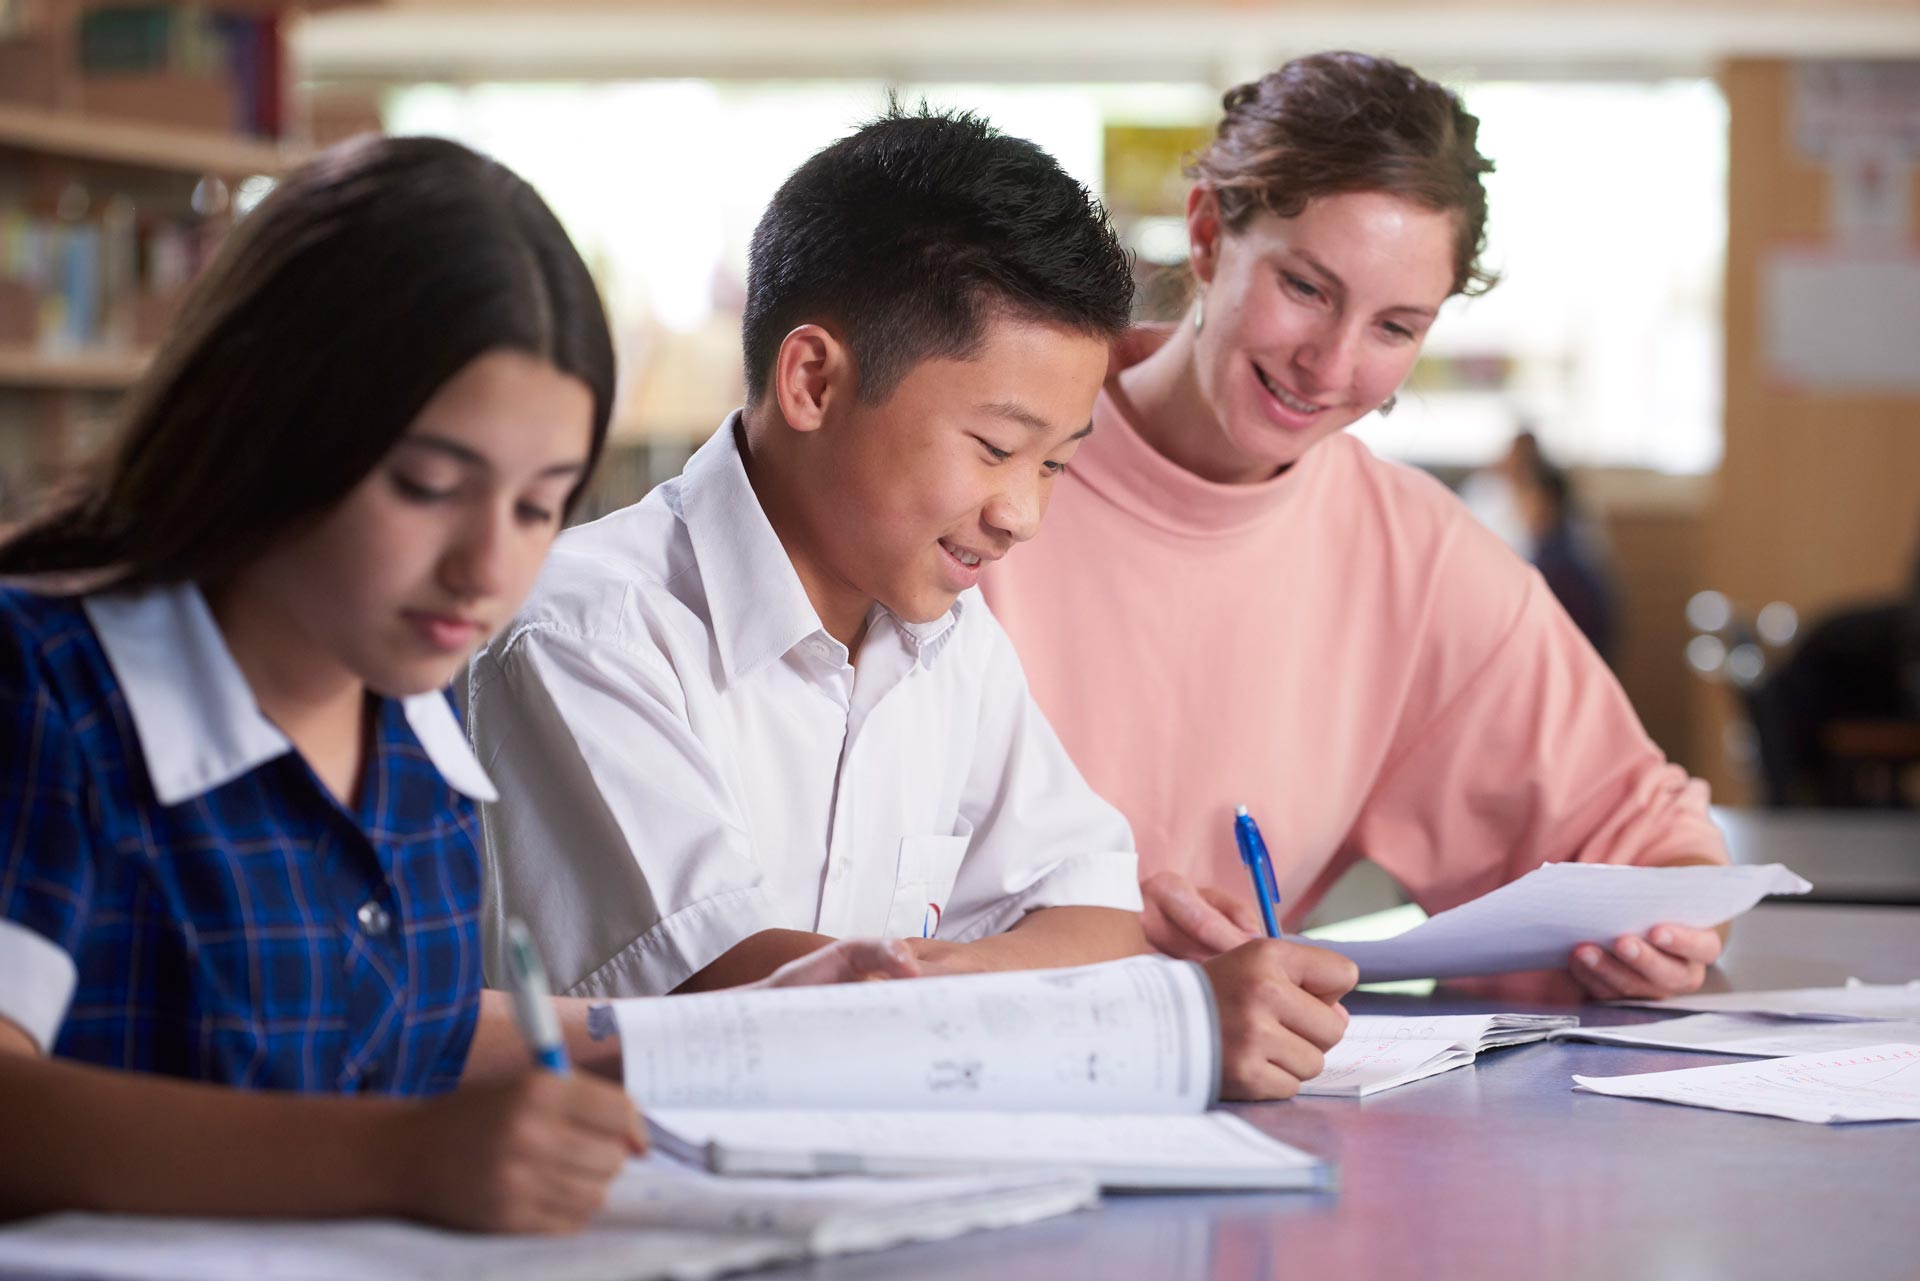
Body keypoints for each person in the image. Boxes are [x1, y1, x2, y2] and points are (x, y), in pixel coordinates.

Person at [0, 135, 913, 1233]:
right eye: (430, 487)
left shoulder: (408, 716)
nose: (487, 570)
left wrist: (743, 1027)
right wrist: (400, 1160)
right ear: (271, 423)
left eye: (539, 507)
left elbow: (394, 1030)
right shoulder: (45, 684)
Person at [469, 106, 1357, 1100]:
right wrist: (1161, 1025)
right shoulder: (585, 631)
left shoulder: (949, 643)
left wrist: (926, 979)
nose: (1021, 513)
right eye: (994, 448)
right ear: (812, 380)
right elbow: (730, 999)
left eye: (1057, 464)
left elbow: (1098, 922)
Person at [980, 52, 1730, 1002]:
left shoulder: (1414, 558)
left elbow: (1650, 841)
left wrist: (1664, 927)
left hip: (1247, 1090)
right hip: (953, 1044)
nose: (1330, 367)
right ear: (1208, 235)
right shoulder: (988, 465)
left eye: (1395, 327)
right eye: (1306, 287)